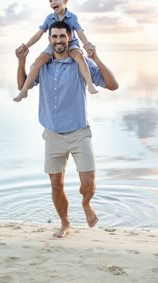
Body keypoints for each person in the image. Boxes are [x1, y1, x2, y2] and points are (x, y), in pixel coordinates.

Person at [16, 21, 119, 238]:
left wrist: (96, 59)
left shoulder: (79, 63)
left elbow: (113, 85)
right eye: (54, 37)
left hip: (79, 133)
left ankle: (86, 203)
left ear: (69, 37)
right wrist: (22, 61)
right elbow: (22, 85)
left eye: (62, 36)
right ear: (49, 39)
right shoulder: (42, 65)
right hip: (52, 136)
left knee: (88, 183)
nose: (58, 41)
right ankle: (65, 223)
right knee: (56, 185)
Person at [13, 0, 98, 102]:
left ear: (65, 1)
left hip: (71, 43)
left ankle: (90, 84)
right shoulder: (49, 18)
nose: (53, 2)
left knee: (79, 57)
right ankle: (24, 91)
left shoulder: (72, 17)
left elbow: (80, 32)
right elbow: (38, 34)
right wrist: (26, 46)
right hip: (53, 45)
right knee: (39, 61)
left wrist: (87, 45)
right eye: (50, 0)